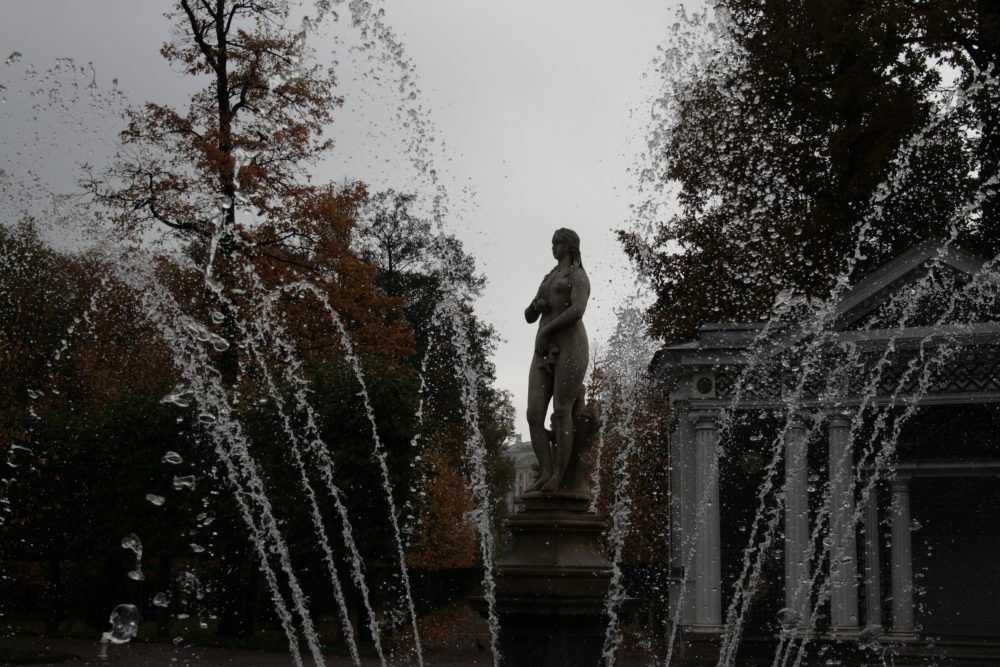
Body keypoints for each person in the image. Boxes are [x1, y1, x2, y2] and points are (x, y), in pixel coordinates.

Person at [524, 228, 590, 492]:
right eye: (552, 243)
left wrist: (548, 329)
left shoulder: (578, 276)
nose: (552, 247)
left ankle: (560, 477)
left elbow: (578, 310)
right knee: (533, 414)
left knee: (562, 410)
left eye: (557, 243)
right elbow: (529, 316)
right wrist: (534, 307)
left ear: (569, 245)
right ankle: (546, 471)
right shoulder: (548, 277)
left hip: (571, 345)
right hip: (543, 348)